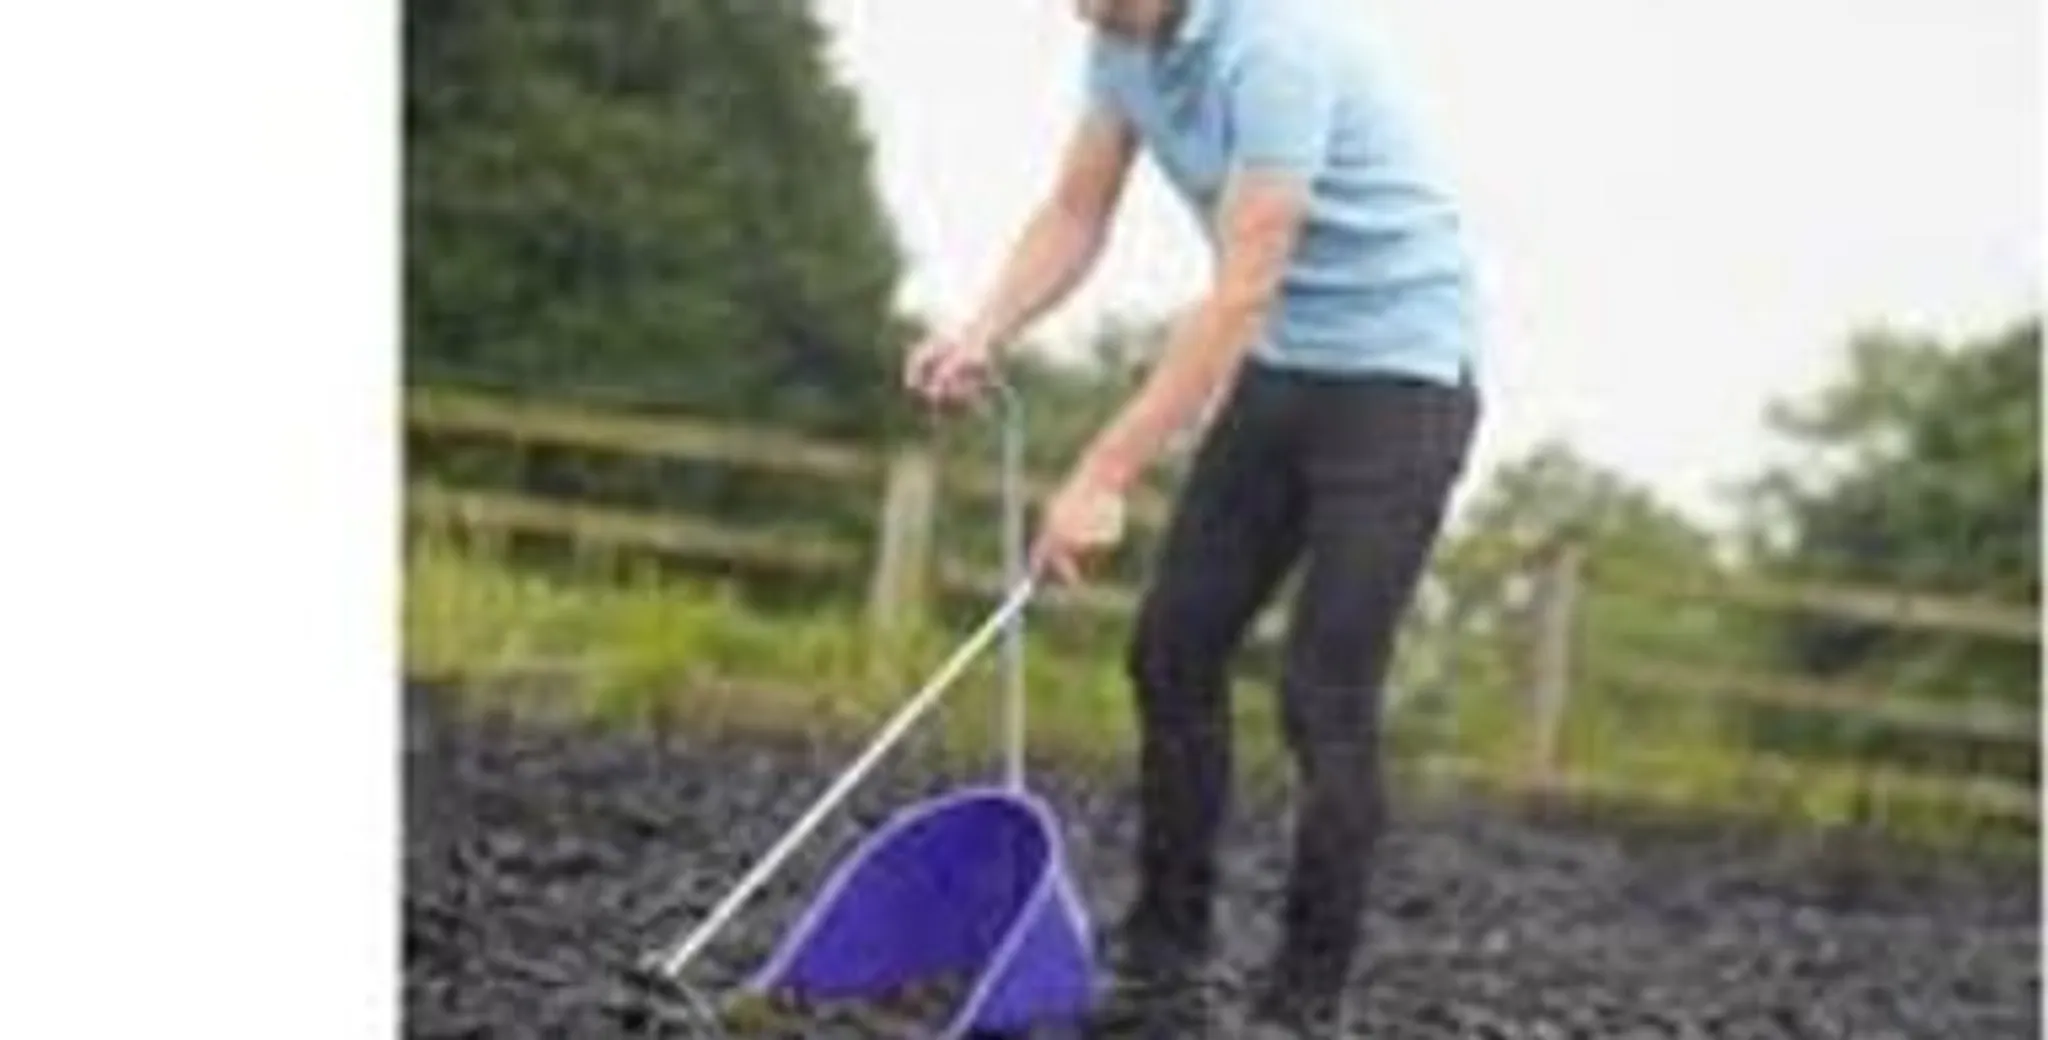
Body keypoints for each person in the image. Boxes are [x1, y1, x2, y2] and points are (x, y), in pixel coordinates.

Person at [904, 0, 1482, 1034]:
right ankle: (1163, 973)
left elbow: (1239, 291)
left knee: (1322, 689)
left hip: (1398, 384)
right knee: (1171, 649)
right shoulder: (1118, 43)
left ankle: (1301, 1004)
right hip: (1281, 373)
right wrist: (982, 328)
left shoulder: (1274, 52)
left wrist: (1102, 472)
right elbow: (1077, 211)